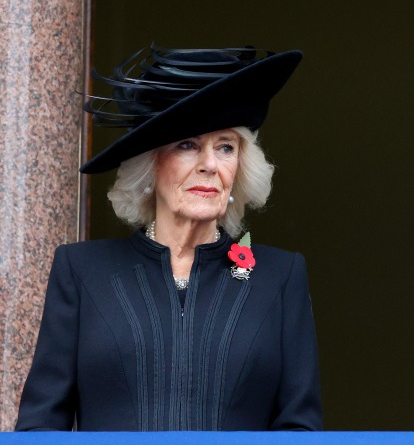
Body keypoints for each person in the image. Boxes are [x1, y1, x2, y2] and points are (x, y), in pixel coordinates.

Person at [16, 45, 322, 431]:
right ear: (151, 165)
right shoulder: (81, 271)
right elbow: (41, 428)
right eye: (187, 145)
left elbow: (300, 428)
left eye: (225, 147)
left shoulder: (280, 277)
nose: (209, 164)